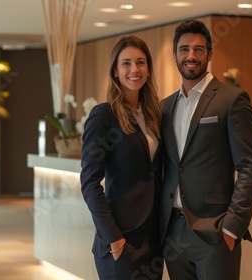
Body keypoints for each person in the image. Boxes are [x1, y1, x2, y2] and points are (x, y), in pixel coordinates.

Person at [159, 19, 252, 280]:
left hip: (214, 234)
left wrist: (231, 228)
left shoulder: (232, 100)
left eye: (198, 49)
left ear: (210, 54)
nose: (190, 56)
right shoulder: (165, 107)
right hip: (172, 233)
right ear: (174, 55)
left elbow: (249, 168)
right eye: (184, 49)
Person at [81, 35, 164, 280]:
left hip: (153, 238)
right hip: (121, 239)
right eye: (126, 63)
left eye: (140, 62)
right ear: (115, 71)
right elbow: (89, 183)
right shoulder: (103, 115)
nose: (134, 70)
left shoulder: (154, 114)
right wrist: (114, 239)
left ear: (148, 69)